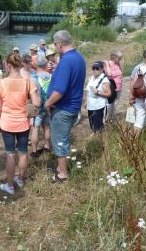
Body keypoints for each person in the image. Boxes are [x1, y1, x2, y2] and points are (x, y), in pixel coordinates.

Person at [0, 53, 41, 194]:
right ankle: (20, 179)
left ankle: (9, 186)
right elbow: (38, 102)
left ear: (8, 66)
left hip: (7, 123)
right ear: (20, 64)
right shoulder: (28, 82)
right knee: (22, 152)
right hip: (23, 122)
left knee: (10, 154)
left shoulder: (1, 83)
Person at [45, 30, 86, 183]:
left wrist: (48, 103)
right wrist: (58, 69)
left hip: (63, 108)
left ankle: (62, 174)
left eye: (55, 45)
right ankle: (59, 168)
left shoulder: (66, 61)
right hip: (73, 106)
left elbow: (60, 90)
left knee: (60, 141)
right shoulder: (78, 57)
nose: (55, 48)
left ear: (60, 44)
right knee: (62, 138)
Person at [30, 56, 51, 157]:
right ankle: (47, 146)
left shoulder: (35, 78)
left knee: (35, 128)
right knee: (47, 127)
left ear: (35, 65)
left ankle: (34, 151)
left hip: (38, 108)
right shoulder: (51, 76)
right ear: (46, 65)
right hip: (49, 105)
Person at [85, 61, 111, 134]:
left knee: (99, 125)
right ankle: (94, 134)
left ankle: (99, 138)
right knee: (91, 122)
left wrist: (98, 93)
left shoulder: (104, 80)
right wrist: (86, 101)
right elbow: (88, 91)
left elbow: (109, 94)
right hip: (91, 105)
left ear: (102, 69)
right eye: (94, 68)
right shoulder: (90, 78)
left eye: (97, 68)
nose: (95, 70)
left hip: (100, 105)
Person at [104, 49, 123, 121]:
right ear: (114, 56)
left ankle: (111, 117)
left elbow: (121, 72)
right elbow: (109, 74)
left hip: (119, 86)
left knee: (116, 102)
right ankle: (106, 117)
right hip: (111, 86)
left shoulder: (118, 63)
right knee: (110, 103)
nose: (120, 59)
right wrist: (107, 64)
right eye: (119, 57)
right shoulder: (107, 63)